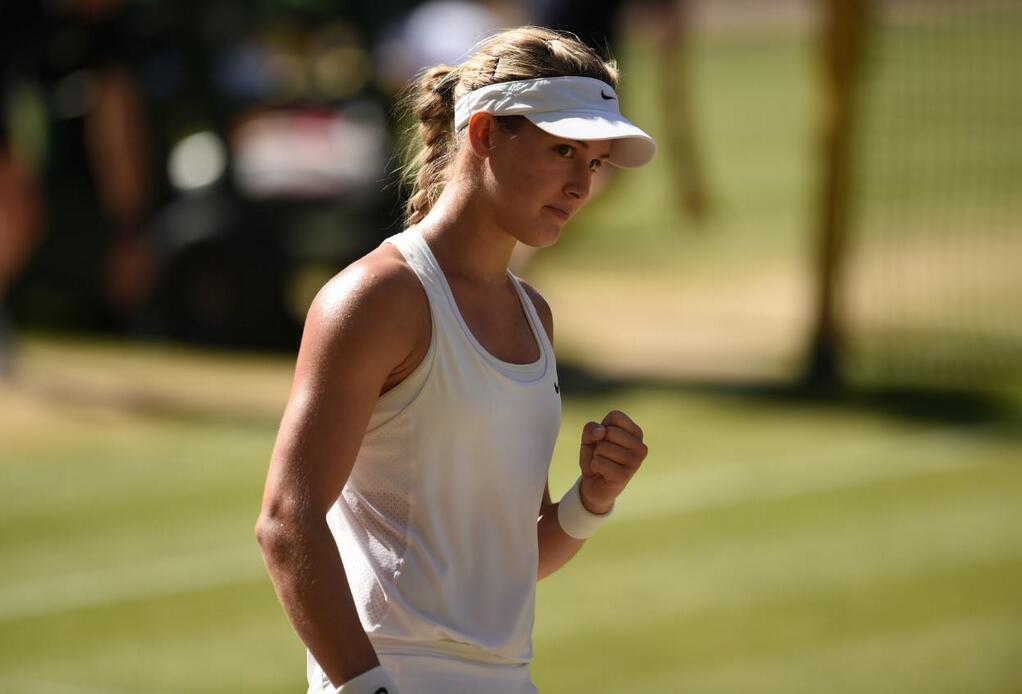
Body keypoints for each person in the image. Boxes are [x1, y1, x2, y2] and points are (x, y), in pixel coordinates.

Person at [256, 26, 654, 694]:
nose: (581, 185)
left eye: (592, 162)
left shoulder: (534, 316)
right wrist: (366, 688)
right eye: (563, 151)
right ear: (485, 135)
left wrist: (592, 498)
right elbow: (286, 525)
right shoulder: (378, 298)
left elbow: (511, 558)